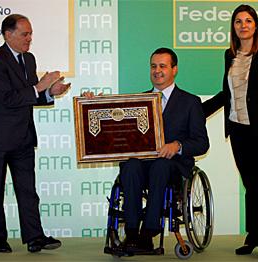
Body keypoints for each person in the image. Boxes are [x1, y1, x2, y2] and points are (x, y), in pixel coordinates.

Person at [84, 47, 209, 255]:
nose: (157, 70)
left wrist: (177, 146)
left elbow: (202, 143)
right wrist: (93, 104)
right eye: (153, 66)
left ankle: (149, 231)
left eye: (163, 66)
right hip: (142, 164)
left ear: (174, 69)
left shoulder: (190, 102)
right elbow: (114, 130)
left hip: (173, 166)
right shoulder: (137, 102)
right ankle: (132, 232)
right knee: (131, 166)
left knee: (160, 166)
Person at [0, 14, 70, 253]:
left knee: (28, 190)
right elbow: (8, 99)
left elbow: (30, 97)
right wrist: (39, 86)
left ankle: (35, 237)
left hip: (23, 137)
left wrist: (50, 92)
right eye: (25, 34)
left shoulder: (29, 59)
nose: (30, 38)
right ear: (9, 35)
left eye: (30, 34)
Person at [203, 5, 258, 260]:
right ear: (234, 27)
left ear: (256, 25)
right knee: (251, 184)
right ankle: (254, 236)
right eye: (238, 21)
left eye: (248, 20)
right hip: (237, 129)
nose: (243, 25)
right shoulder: (230, 54)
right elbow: (226, 94)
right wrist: (197, 111)